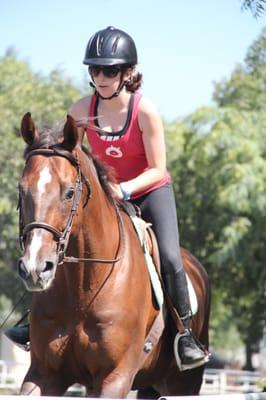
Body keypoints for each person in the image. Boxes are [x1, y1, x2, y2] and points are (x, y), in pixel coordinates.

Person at [5, 26, 208, 371]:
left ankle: (185, 334)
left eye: (109, 70)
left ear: (127, 73)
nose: (100, 76)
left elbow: (159, 169)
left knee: (172, 258)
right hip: (104, 194)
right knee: (58, 241)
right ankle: (35, 317)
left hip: (148, 192)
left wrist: (125, 189)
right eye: (95, 69)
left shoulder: (146, 112)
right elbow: (70, 156)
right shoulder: (82, 108)